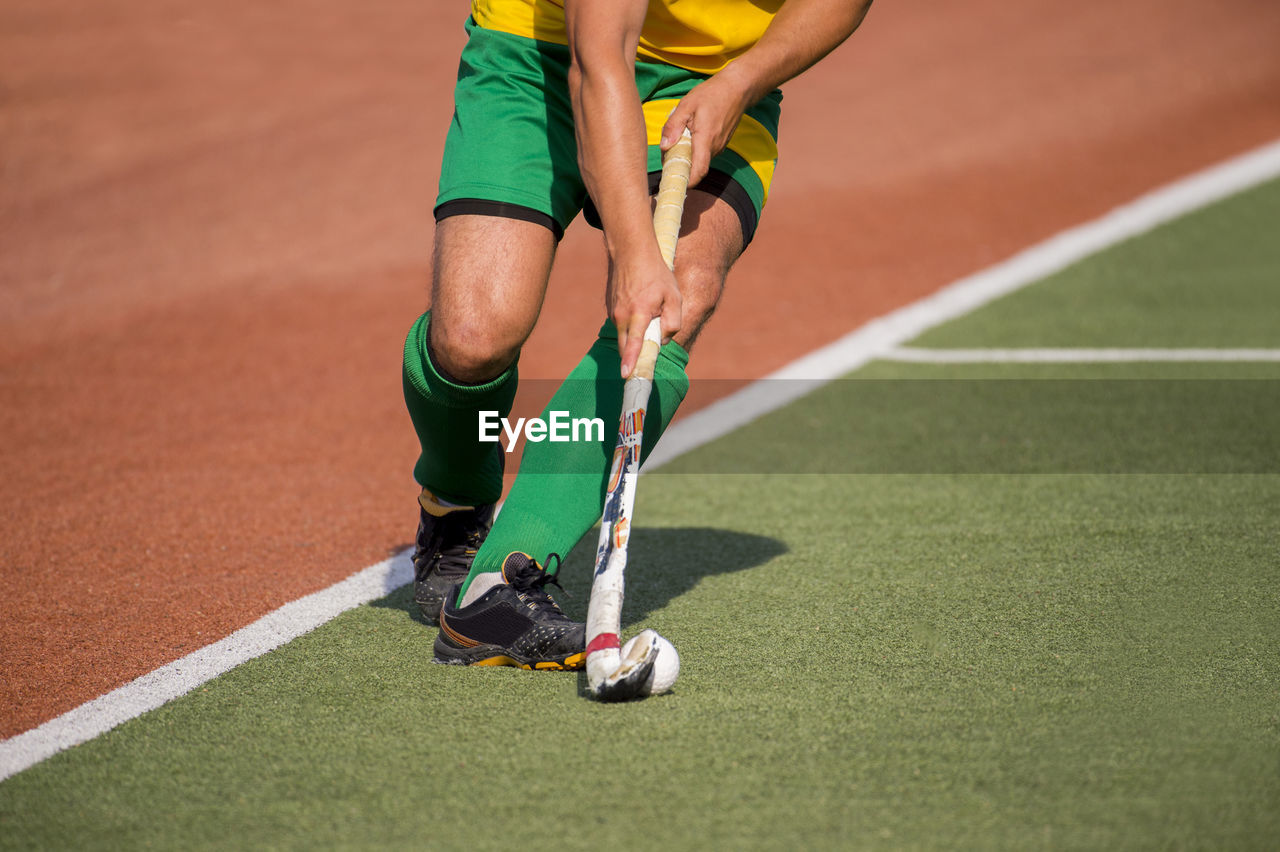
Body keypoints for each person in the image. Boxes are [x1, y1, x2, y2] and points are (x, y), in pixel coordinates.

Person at [402, 0, 874, 670]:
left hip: (709, 80)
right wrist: (632, 254)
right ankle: (452, 499)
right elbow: (600, 62)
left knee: (679, 295)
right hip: (537, 53)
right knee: (472, 338)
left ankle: (500, 583)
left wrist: (742, 81)